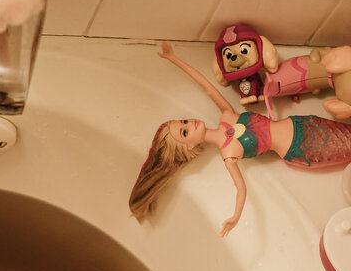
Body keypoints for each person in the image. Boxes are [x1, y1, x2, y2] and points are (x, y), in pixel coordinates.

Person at [129, 40, 351, 237]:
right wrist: (235, 217)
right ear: (189, 146)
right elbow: (241, 189)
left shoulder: (227, 115)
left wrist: (173, 58)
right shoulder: (229, 155)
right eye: (185, 132)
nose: (190, 123)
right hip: (301, 149)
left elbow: (206, 86)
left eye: (184, 121)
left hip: (301, 123)